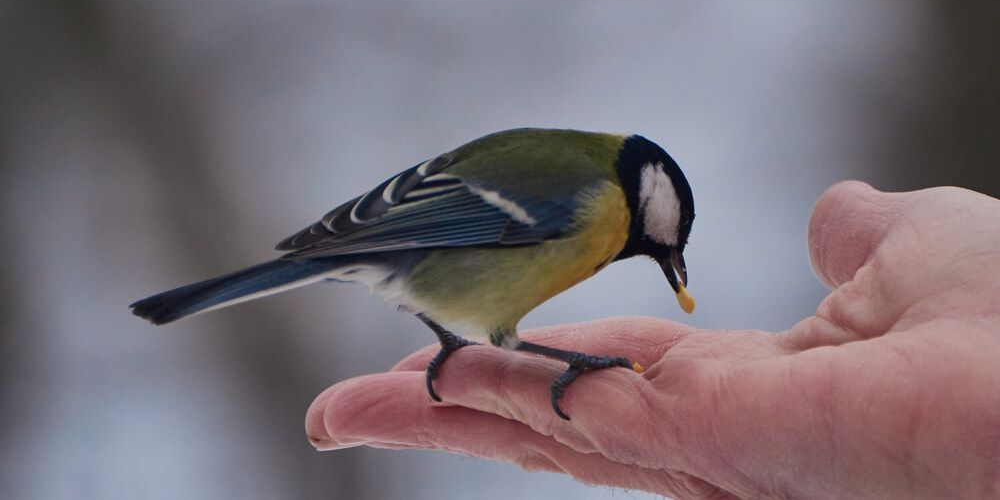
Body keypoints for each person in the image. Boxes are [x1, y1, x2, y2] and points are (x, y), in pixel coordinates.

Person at [305, 182, 1000, 498]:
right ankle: (454, 339)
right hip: (427, 251)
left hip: (421, 258)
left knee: (493, 343)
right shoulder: (591, 194)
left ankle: (452, 340)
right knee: (497, 341)